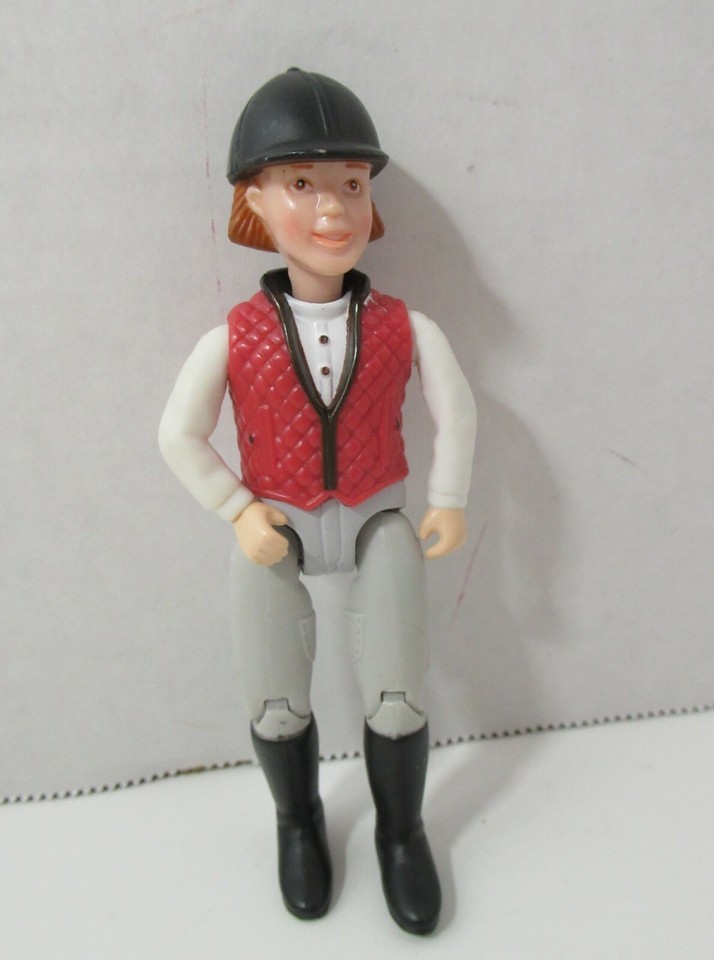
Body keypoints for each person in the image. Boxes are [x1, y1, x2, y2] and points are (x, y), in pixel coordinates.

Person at [158, 68, 476, 936]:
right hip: (277, 523)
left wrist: (447, 498)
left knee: (398, 692)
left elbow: (457, 412)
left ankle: (401, 831)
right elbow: (178, 435)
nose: (333, 208)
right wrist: (237, 509)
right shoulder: (234, 336)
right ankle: (296, 821)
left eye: (351, 184)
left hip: (380, 518)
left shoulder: (407, 327)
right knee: (274, 697)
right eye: (302, 184)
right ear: (254, 201)